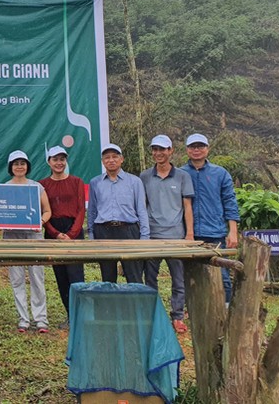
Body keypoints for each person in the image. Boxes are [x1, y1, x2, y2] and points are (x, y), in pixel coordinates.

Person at [140, 135, 195, 333]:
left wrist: (189, 234)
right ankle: (154, 313)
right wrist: (143, 235)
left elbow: (187, 206)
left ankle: (178, 315)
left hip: (176, 236)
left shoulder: (182, 176)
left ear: (170, 150)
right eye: (155, 149)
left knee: (178, 278)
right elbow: (142, 206)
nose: (158, 153)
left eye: (162, 149)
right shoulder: (145, 176)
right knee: (150, 278)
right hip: (153, 236)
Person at [181, 133, 239, 304]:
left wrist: (233, 231)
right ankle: (195, 312)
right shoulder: (180, 173)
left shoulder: (220, 173)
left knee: (222, 277)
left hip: (215, 233)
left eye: (200, 146)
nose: (196, 150)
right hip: (188, 235)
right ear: (187, 150)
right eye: (193, 146)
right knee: (191, 276)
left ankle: (225, 311)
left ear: (208, 148)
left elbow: (230, 201)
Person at [3, 150, 52, 334]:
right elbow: (0, 214)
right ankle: (23, 319)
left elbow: (47, 211)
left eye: (23, 163)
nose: (19, 166)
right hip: (12, 237)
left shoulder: (36, 187)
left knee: (37, 278)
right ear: (10, 167)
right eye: (15, 163)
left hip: (34, 237)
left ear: (27, 166)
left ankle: (41, 319)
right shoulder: (5, 188)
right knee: (16, 279)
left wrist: (40, 222)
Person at [88, 144, 149, 283]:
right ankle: (110, 303)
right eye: (107, 157)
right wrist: (92, 235)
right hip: (104, 231)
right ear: (103, 161)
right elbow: (92, 211)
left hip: (128, 230)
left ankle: (135, 304)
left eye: (115, 156)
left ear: (121, 159)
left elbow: (141, 210)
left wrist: (145, 236)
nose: (111, 160)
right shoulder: (95, 182)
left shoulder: (134, 181)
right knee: (108, 276)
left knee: (134, 275)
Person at [38, 145, 85, 329]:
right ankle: (69, 315)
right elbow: (43, 212)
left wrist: (71, 235)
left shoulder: (77, 182)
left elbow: (81, 210)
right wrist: (55, 233)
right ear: (49, 162)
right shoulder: (42, 185)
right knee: (61, 276)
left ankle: (80, 316)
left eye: (62, 159)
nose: (59, 163)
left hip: (73, 231)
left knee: (76, 275)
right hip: (53, 231)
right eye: (55, 159)